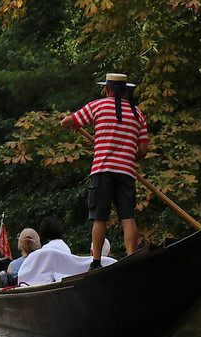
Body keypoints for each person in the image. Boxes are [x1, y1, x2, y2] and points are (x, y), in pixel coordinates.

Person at [59, 72, 149, 268]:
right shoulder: (137, 114)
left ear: (108, 89)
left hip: (102, 170)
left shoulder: (98, 106)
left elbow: (66, 122)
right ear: (125, 91)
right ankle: (131, 256)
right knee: (127, 216)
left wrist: (71, 123)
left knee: (100, 217)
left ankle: (96, 261)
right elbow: (143, 150)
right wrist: (126, 156)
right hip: (126, 172)